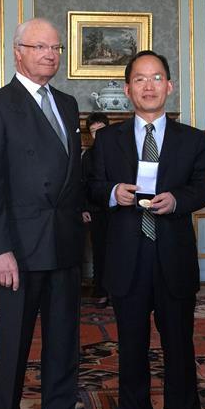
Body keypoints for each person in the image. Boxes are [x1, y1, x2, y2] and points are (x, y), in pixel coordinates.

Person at [0, 18, 93, 409]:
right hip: (18, 251)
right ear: (17, 51)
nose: (50, 54)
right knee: (13, 350)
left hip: (64, 245)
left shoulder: (67, 103)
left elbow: (72, 176)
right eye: (39, 46)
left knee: (64, 347)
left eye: (55, 47)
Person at [89, 50, 205, 409]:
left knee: (180, 350)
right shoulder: (107, 140)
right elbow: (90, 186)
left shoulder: (193, 139)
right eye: (140, 79)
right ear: (128, 89)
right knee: (131, 351)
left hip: (173, 260)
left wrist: (178, 200)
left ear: (169, 86)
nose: (149, 86)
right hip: (127, 260)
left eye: (156, 78)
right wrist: (113, 193)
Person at [81, 112, 110, 308]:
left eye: (101, 130)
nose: (97, 134)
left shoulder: (120, 151)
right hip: (96, 211)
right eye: (93, 131)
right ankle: (100, 290)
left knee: (121, 252)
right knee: (100, 252)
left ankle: (119, 292)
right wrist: (83, 208)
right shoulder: (87, 156)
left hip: (119, 210)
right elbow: (82, 184)